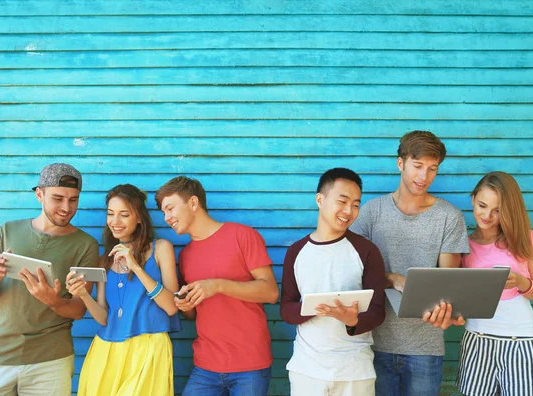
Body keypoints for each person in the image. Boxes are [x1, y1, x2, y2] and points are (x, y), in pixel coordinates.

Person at [349, 131, 470, 396]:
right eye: (418, 166)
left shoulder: (449, 217)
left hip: (425, 348)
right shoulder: (371, 211)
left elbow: (448, 285)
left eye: (432, 169)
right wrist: (392, 278)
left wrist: (450, 313)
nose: (423, 177)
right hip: (373, 342)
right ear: (400, 163)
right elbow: (353, 273)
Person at [0, 163, 99, 396]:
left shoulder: (86, 245)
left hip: (51, 358)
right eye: (58, 198)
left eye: (73, 200)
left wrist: (53, 300)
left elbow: (79, 310)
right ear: (39, 194)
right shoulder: (6, 231)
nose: (66, 207)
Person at [424, 171, 533, 395]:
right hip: (477, 341)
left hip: (522, 341)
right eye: (482, 205)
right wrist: (456, 314)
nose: (487, 215)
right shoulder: (464, 246)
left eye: (498, 210)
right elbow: (457, 298)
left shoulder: (528, 240)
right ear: (472, 199)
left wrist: (521, 282)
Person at [155, 176, 279, 396]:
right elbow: (194, 314)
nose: (167, 218)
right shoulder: (186, 256)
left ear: (193, 203)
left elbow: (270, 292)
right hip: (206, 365)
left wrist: (218, 285)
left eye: (170, 208)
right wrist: (186, 306)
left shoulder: (242, 235)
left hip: (249, 364)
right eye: (164, 212)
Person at [67, 184, 181, 396]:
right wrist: (83, 294)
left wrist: (136, 267)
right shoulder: (104, 261)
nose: (115, 222)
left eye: (124, 214)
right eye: (110, 214)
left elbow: (172, 307)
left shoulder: (161, 248)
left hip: (148, 348)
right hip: (106, 351)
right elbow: (103, 318)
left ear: (139, 218)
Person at [280, 168, 386, 396]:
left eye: (356, 204)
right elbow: (286, 309)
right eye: (342, 201)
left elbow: (378, 311)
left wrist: (352, 319)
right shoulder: (296, 252)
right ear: (320, 199)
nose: (349, 211)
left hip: (355, 371)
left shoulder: (367, 251)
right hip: (307, 370)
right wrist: (318, 307)